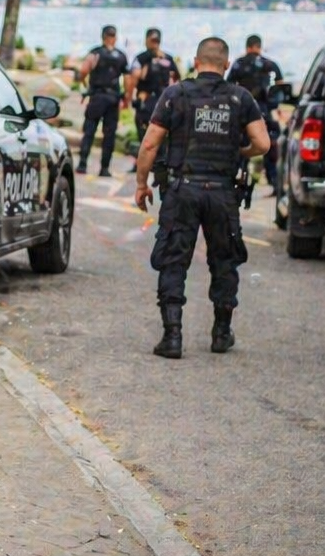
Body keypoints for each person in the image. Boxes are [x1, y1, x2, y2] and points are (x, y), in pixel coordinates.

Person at [135, 37, 269, 358]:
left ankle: (172, 336)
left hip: (183, 190)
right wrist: (239, 151)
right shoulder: (240, 98)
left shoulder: (176, 94)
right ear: (226, 64)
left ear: (196, 63)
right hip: (222, 192)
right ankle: (221, 333)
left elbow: (150, 144)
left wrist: (142, 184)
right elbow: (263, 144)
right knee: (224, 261)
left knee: (174, 260)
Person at [226, 35, 284, 191]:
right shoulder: (270, 65)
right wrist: (274, 106)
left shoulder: (239, 64)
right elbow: (280, 89)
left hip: (243, 112)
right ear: (259, 46)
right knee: (271, 147)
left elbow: (229, 88)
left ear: (247, 47)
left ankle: (237, 179)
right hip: (265, 112)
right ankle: (274, 182)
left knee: (241, 147)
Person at [76, 24, 131, 176]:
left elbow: (83, 70)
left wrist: (84, 84)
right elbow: (128, 79)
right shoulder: (121, 56)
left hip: (97, 96)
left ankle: (82, 164)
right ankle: (104, 168)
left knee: (89, 131)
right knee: (109, 134)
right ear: (115, 37)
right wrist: (126, 98)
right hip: (113, 98)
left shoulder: (95, 53)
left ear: (103, 36)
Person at [127, 28, 181, 173]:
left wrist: (129, 97)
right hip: (164, 101)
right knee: (161, 133)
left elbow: (134, 77)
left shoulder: (142, 58)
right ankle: (159, 165)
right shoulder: (168, 58)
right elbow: (177, 80)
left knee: (143, 133)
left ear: (146, 40)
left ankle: (142, 164)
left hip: (146, 100)